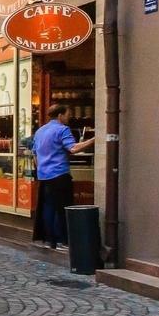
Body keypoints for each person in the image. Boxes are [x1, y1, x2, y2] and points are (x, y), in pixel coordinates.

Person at [31, 106, 95, 250]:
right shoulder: (62, 129)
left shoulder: (40, 131)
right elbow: (73, 148)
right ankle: (62, 241)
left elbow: (34, 153)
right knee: (63, 208)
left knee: (48, 208)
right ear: (60, 115)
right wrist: (93, 140)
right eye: (67, 114)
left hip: (45, 176)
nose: (68, 117)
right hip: (60, 174)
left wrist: (41, 168)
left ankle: (49, 240)